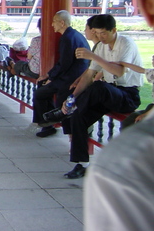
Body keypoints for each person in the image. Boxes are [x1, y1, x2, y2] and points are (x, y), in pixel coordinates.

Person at [84, 0, 154, 231]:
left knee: (94, 94)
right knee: (82, 96)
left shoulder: (133, 167)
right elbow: (94, 72)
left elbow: (115, 71)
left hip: (126, 94)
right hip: (111, 90)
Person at [43, 14, 143, 178]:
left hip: (127, 95)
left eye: (103, 33)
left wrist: (93, 56)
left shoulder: (126, 43)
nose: (100, 37)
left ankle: (65, 112)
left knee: (99, 87)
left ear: (113, 30)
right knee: (78, 117)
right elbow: (88, 75)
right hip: (106, 94)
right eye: (96, 33)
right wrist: (71, 99)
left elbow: (119, 71)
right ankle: (81, 164)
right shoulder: (101, 46)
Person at [32, 11, 90, 138]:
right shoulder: (73, 35)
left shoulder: (68, 38)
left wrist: (51, 77)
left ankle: (47, 124)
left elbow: (64, 63)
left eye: (54, 21)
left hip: (71, 78)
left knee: (40, 93)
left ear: (62, 23)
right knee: (42, 87)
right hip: (71, 74)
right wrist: (48, 75)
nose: (52, 24)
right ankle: (47, 122)